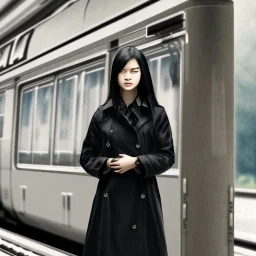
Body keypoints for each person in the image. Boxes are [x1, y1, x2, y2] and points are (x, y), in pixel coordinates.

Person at [80, 46, 175, 256]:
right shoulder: (101, 115)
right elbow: (86, 157)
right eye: (122, 71)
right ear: (115, 75)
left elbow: (167, 156)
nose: (128, 76)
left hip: (143, 199)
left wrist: (136, 162)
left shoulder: (157, 114)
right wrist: (107, 164)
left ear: (143, 73)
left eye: (134, 71)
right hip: (109, 199)